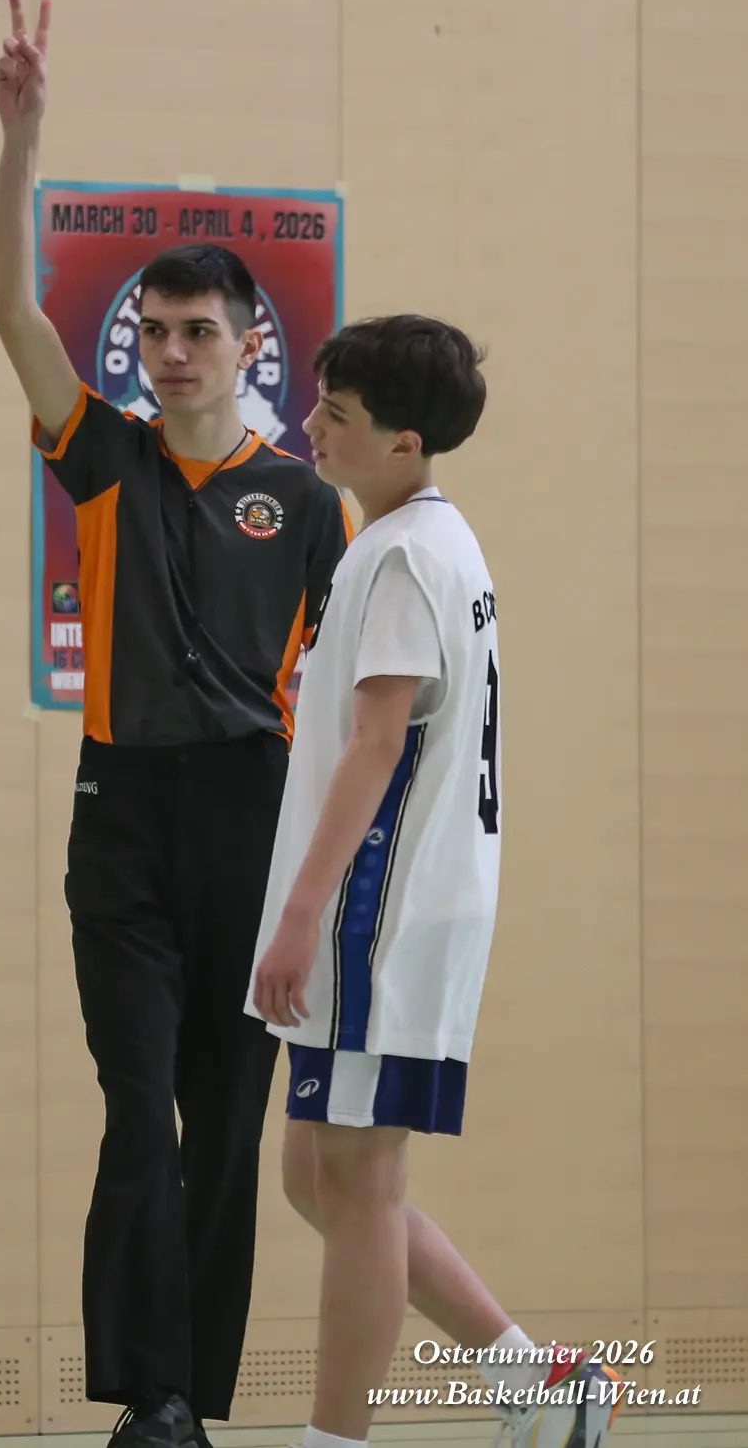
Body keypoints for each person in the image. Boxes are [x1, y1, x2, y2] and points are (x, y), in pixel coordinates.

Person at [0, 0, 353, 1448]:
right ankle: (149, 1396)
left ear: (251, 343)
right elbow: (13, 314)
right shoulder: (101, 456)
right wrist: (21, 139)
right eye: (150, 329)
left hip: (251, 821)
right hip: (121, 818)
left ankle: (191, 1398)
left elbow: (352, 701)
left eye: (198, 330)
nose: (168, 350)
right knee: (139, 1110)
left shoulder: (307, 504)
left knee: (224, 1130)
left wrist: (325, 891)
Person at [246, 315, 621, 1448]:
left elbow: (375, 747)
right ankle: (537, 1380)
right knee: (316, 1177)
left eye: (336, 414)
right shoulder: (417, 540)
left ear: (405, 442)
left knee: (358, 1185)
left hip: (378, 911)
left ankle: (333, 1441)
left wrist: (298, 917)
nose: (310, 425)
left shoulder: (407, 554)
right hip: (389, 907)